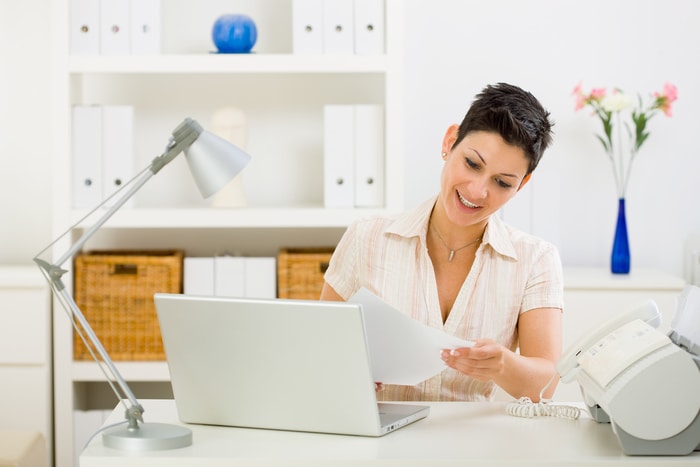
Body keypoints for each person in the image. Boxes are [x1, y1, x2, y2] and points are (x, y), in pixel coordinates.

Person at [320, 82, 563, 402]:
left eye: (502, 182)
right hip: (378, 440)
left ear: (522, 184)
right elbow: (322, 351)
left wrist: (502, 365)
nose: (478, 191)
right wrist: (350, 375)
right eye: (472, 164)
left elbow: (546, 384)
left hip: (472, 446)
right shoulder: (367, 237)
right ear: (450, 141)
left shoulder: (535, 259)